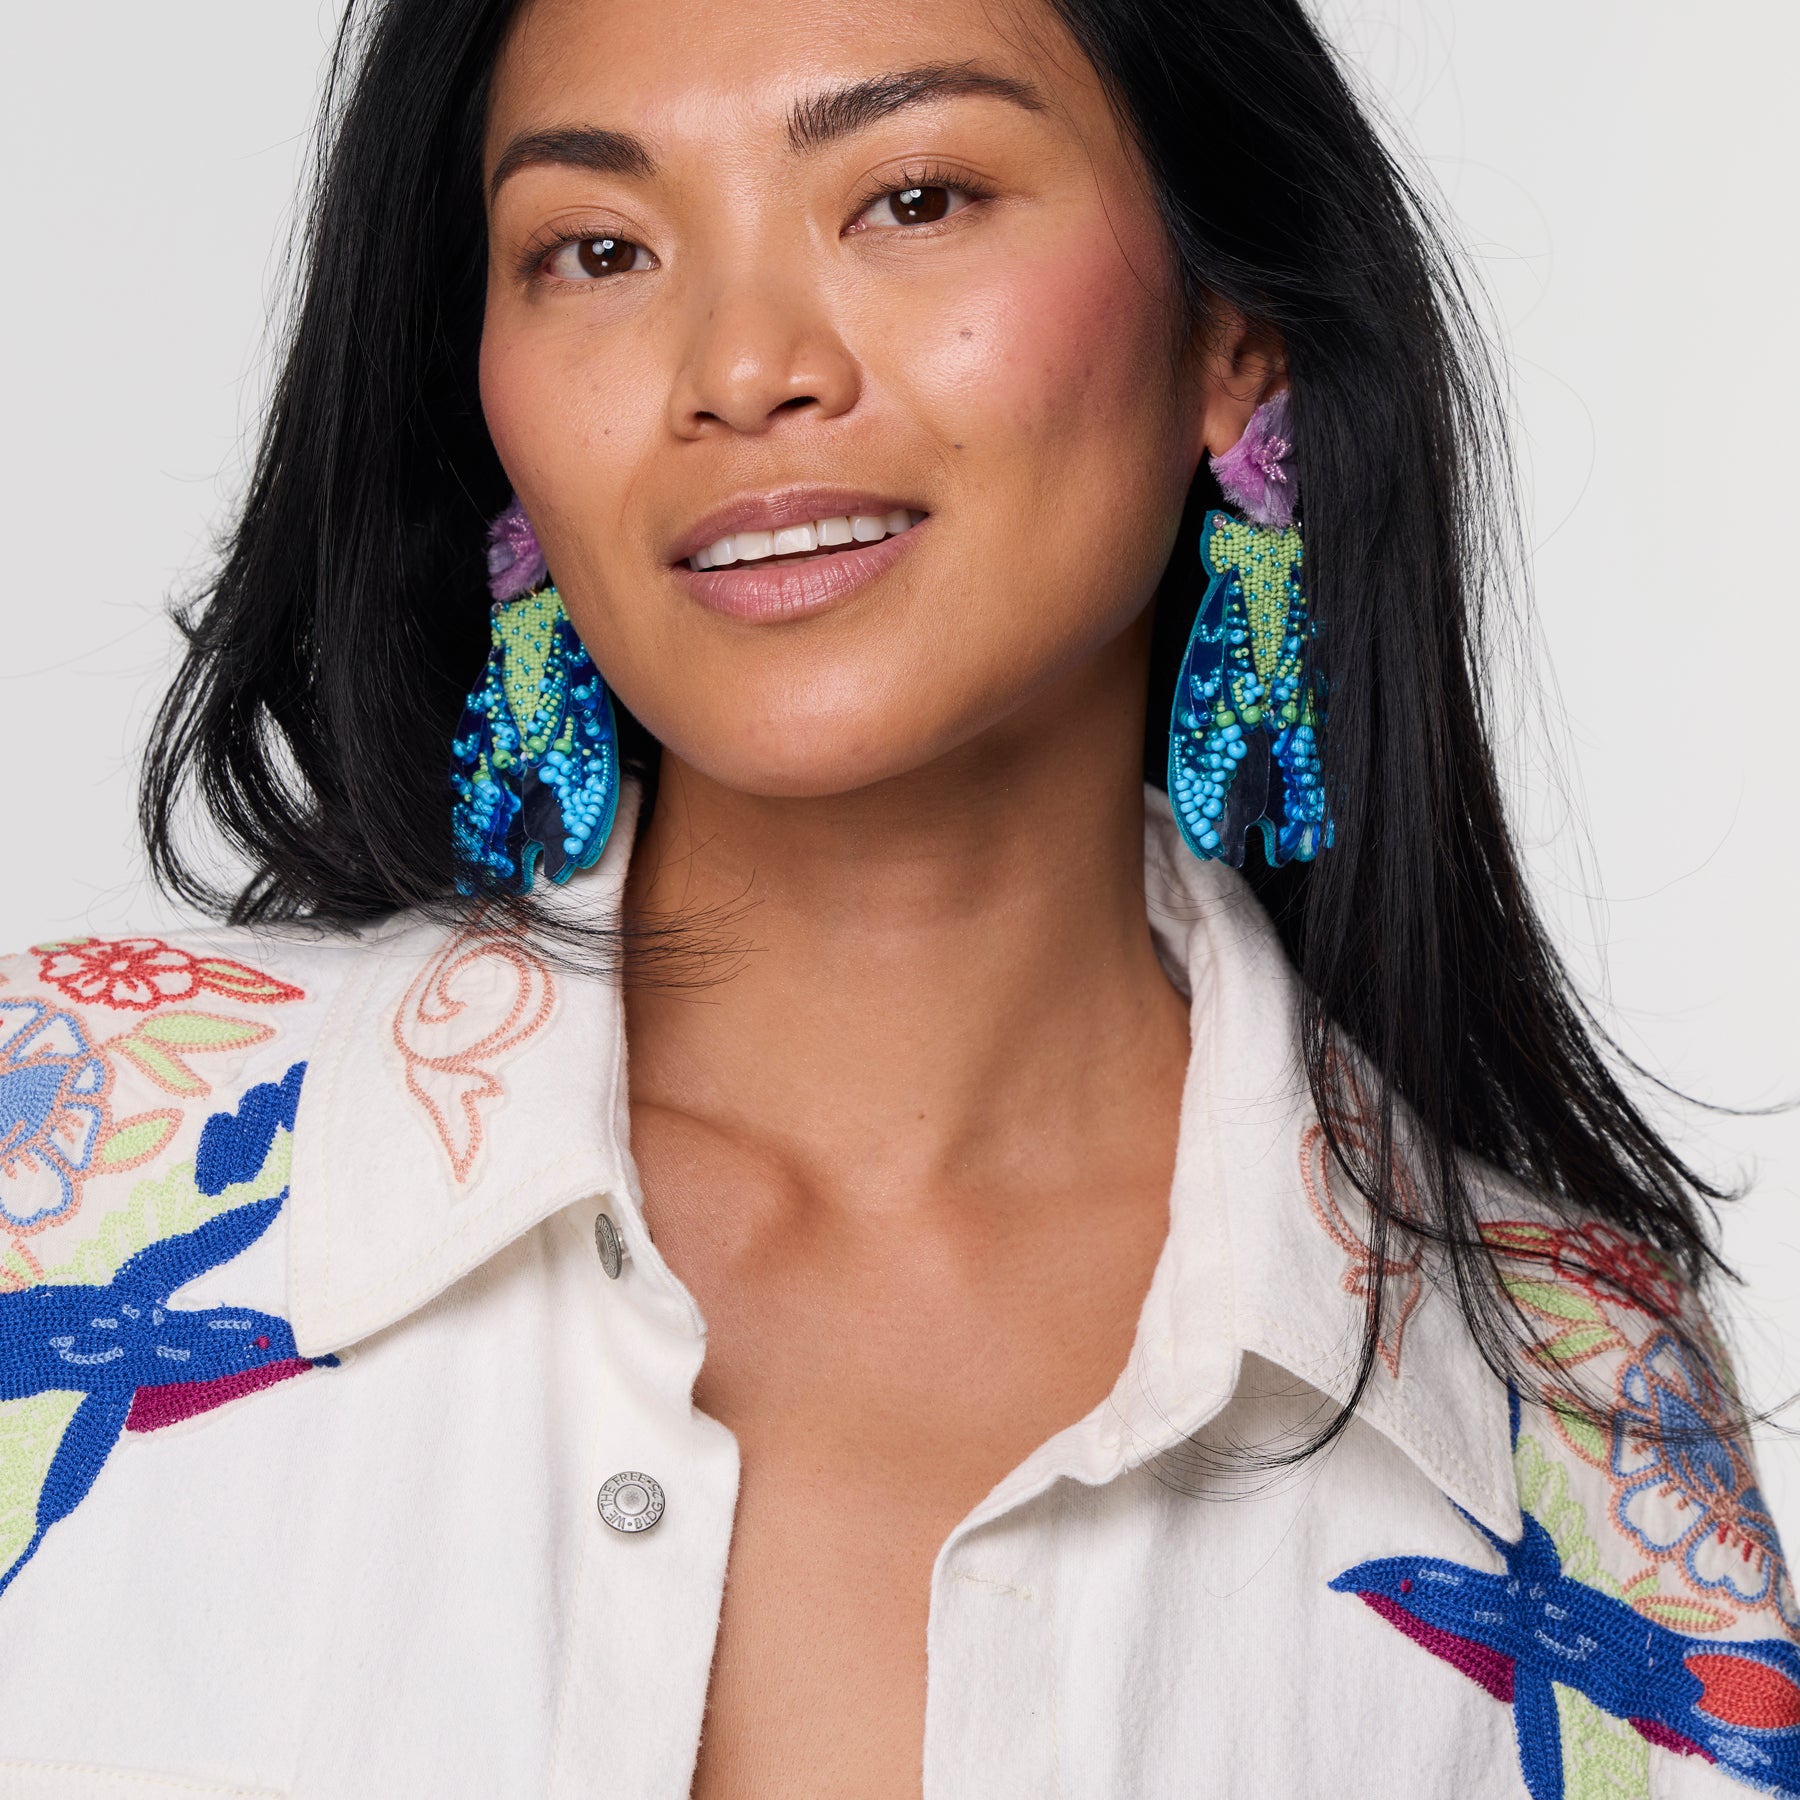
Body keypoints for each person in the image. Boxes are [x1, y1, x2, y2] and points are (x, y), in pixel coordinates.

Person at [1, 0, 1793, 1793]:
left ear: (1234, 339)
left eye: (915, 197)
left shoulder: (1578, 1421)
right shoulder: (50, 1180)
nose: (743, 363)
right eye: (598, 249)